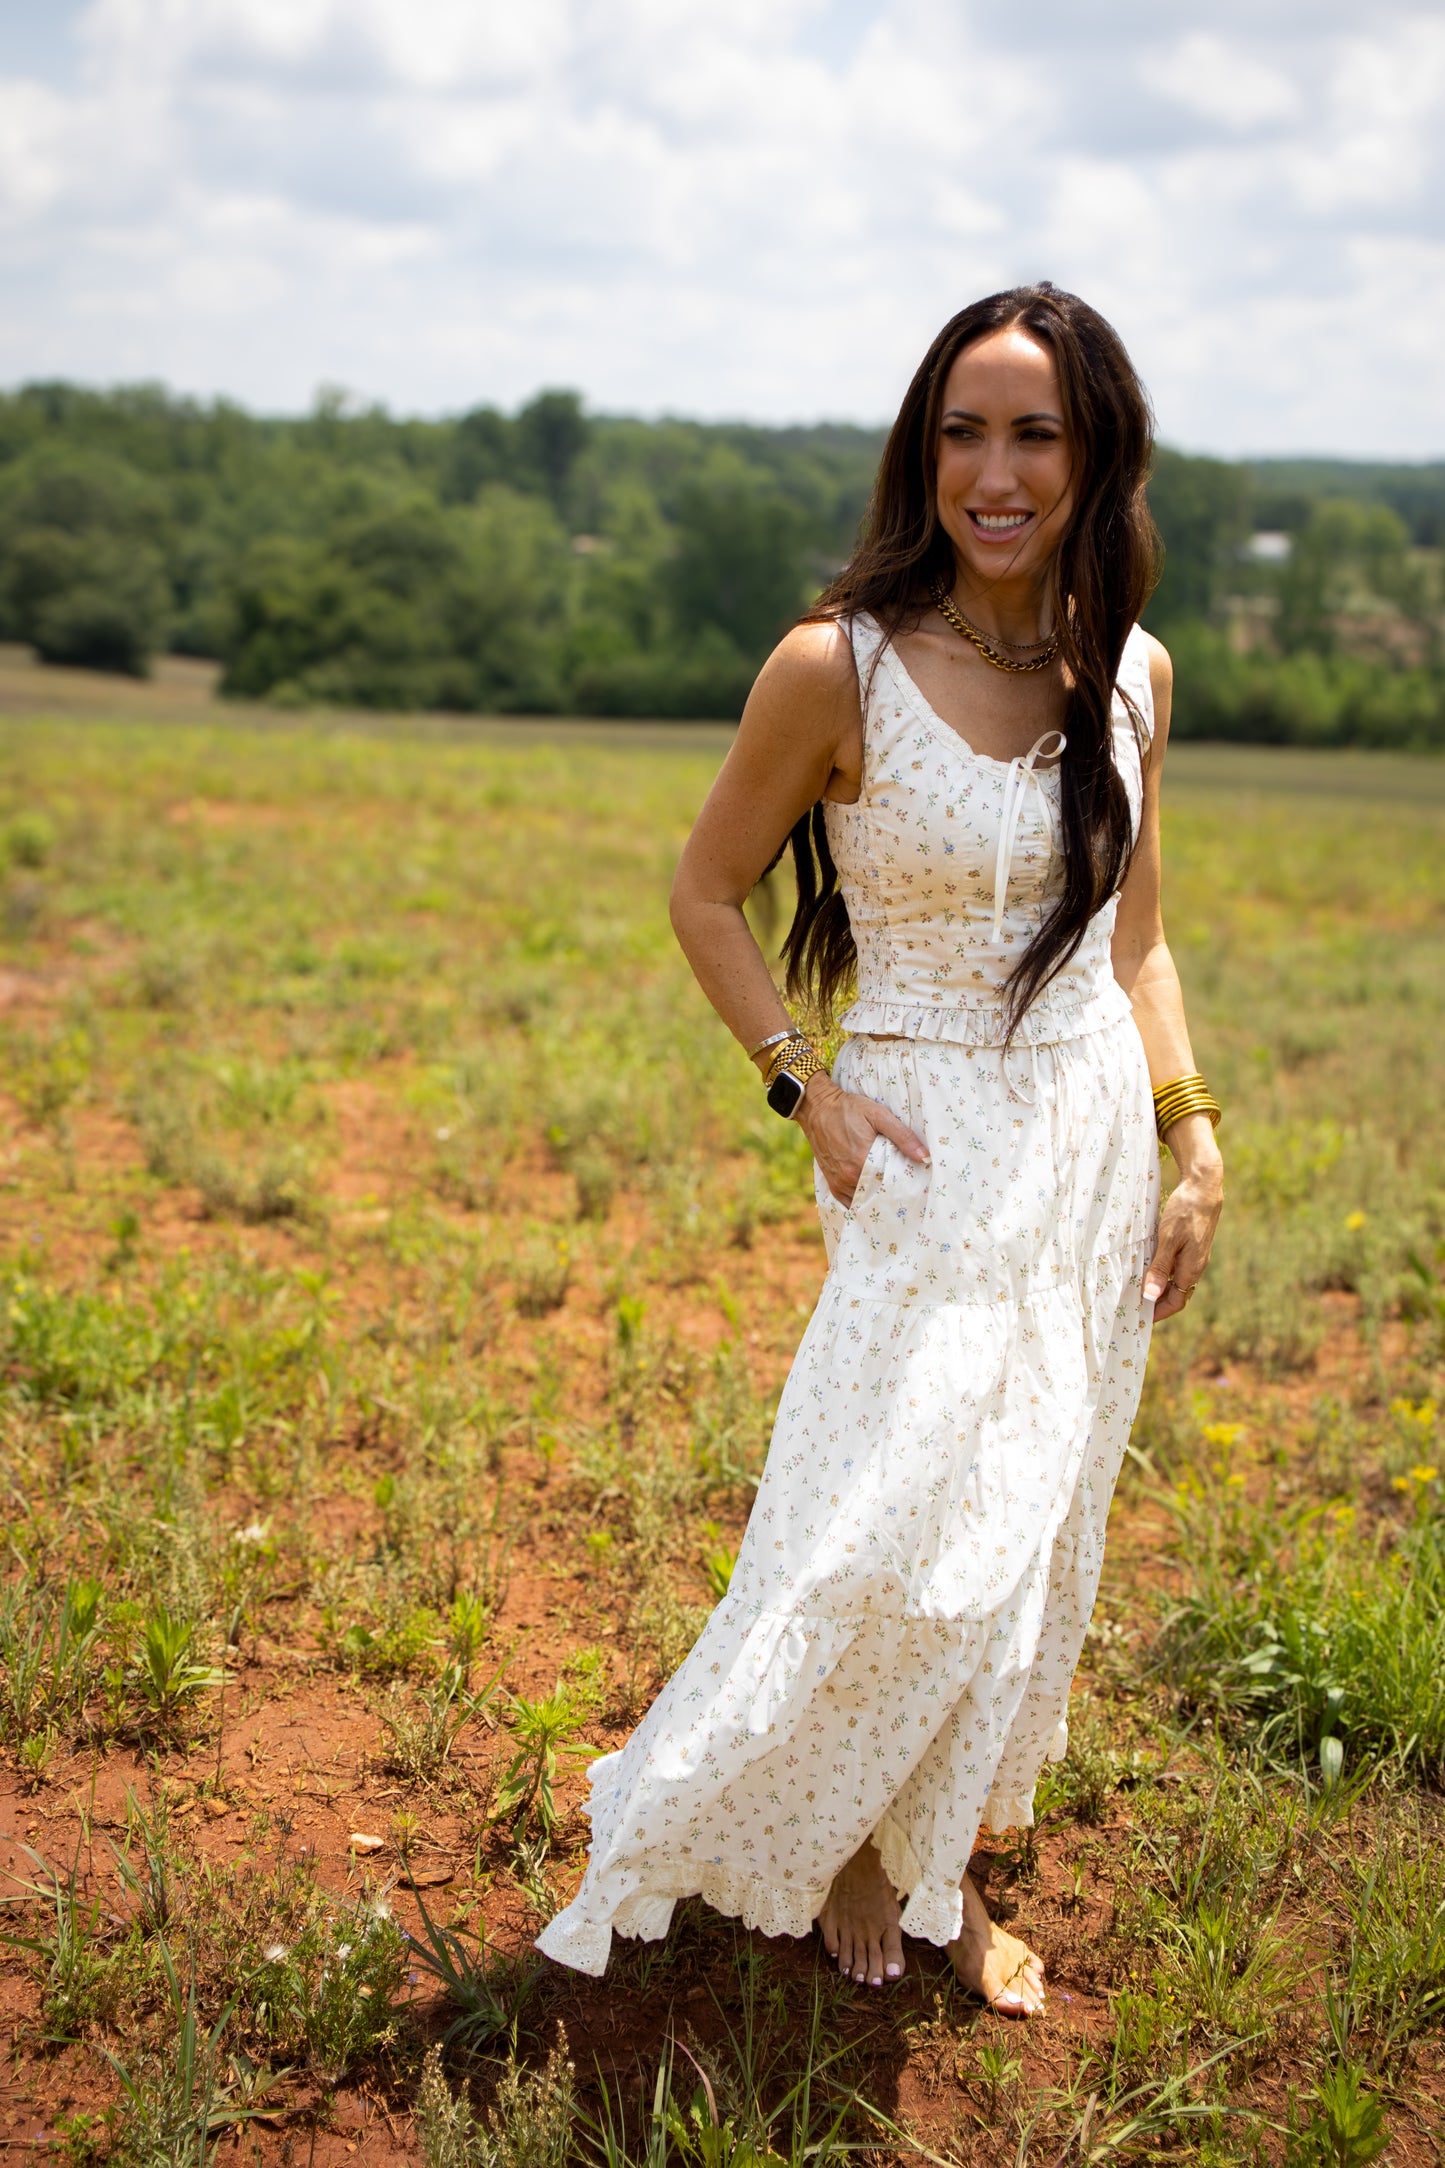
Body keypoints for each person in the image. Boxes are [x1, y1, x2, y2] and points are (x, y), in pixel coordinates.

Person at [537, 283, 1224, 2016]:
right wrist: (803, 1087)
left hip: (1086, 1140)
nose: (994, 473)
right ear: (922, 454)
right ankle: (839, 1831)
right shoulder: (833, 665)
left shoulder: (1134, 675)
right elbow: (704, 893)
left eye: (1034, 435)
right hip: (917, 1140)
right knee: (900, 1517)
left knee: (1034, 1516)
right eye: (961, 433)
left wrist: (1191, 1134)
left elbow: (1135, 943)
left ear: (1096, 456)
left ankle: (933, 1852)